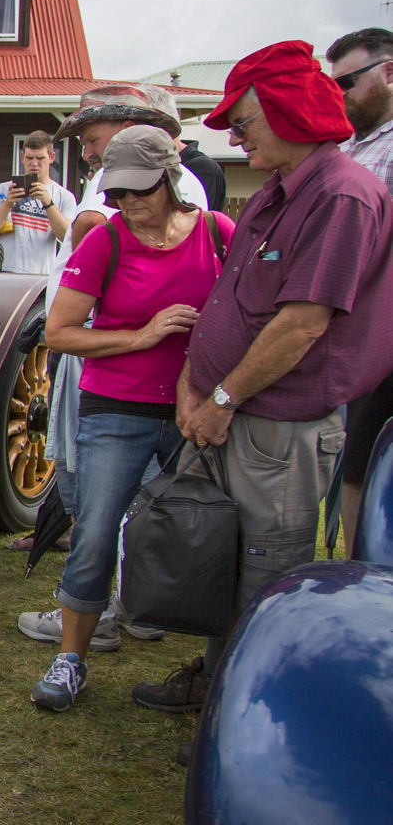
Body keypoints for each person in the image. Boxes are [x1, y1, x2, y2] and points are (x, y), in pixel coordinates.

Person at [136, 41, 393, 713]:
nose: (233, 136)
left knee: (265, 577)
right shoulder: (276, 193)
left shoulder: (343, 196)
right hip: (228, 412)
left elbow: (303, 322)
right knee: (217, 563)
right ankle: (218, 684)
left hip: (277, 428)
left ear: (288, 113)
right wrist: (195, 382)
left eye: (243, 122)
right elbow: (228, 297)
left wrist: (221, 396)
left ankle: (248, 718)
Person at [28, 128, 234, 710]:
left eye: (139, 191)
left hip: (197, 409)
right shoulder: (105, 242)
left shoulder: (219, 234)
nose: (126, 204)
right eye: (115, 193)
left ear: (171, 178)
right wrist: (141, 335)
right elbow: (59, 332)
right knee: (95, 531)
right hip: (117, 407)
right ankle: (71, 660)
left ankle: (207, 664)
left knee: (205, 529)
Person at [324, 28, 393, 548]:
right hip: (360, 333)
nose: (339, 93)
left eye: (348, 80)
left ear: (389, 72)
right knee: (359, 463)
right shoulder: (349, 146)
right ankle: (360, 571)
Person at [0, 131, 75, 275]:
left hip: (41, 275)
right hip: (4, 270)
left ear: (52, 157)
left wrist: (49, 204)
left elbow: (67, 238)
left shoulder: (65, 196)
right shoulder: (5, 188)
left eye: (40, 158)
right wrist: (7, 205)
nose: (34, 163)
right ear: (22, 157)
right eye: (29, 158)